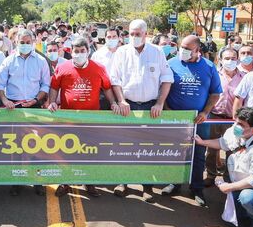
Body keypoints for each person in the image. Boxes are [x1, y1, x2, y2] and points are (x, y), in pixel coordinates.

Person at [110, 19, 174, 202]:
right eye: (131, 33)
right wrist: (121, 100)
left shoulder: (157, 52)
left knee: (147, 148)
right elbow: (115, 80)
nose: (134, 37)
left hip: (150, 107)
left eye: (138, 34)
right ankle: (123, 182)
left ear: (146, 34)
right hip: (127, 106)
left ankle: (147, 186)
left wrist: (160, 103)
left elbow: (167, 78)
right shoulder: (122, 52)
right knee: (124, 146)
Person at [48, 37, 120, 197]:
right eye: (76, 51)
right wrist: (51, 102)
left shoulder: (99, 68)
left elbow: (107, 88)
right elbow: (54, 87)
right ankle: (65, 182)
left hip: (91, 119)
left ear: (88, 52)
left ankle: (89, 182)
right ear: (71, 52)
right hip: (68, 119)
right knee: (67, 151)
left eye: (82, 51)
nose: (79, 54)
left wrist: (114, 102)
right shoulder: (62, 67)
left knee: (89, 151)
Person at [164, 35, 222, 206]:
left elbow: (215, 93)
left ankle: (196, 187)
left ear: (197, 50)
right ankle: (174, 183)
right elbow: (164, 88)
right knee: (176, 153)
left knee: (198, 154)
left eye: (188, 48)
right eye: (182, 46)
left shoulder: (209, 67)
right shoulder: (172, 63)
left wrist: (205, 112)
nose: (183, 50)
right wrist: (167, 110)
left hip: (199, 120)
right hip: (175, 119)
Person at [0, 29, 50, 196]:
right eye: (22, 42)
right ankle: (17, 181)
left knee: (37, 145)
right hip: (14, 108)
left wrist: (36, 100)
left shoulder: (41, 61)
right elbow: (0, 86)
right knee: (17, 146)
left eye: (28, 42)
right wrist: (5, 101)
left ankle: (38, 180)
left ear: (34, 42)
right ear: (16, 42)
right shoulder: (8, 61)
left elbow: (45, 85)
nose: (25, 45)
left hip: (34, 106)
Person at [206, 48, 245, 187]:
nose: (230, 61)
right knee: (211, 150)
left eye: (233, 58)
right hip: (214, 117)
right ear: (220, 60)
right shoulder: (214, 75)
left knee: (233, 149)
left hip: (233, 120)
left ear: (238, 60)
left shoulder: (244, 77)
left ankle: (228, 178)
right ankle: (210, 175)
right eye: (227, 58)